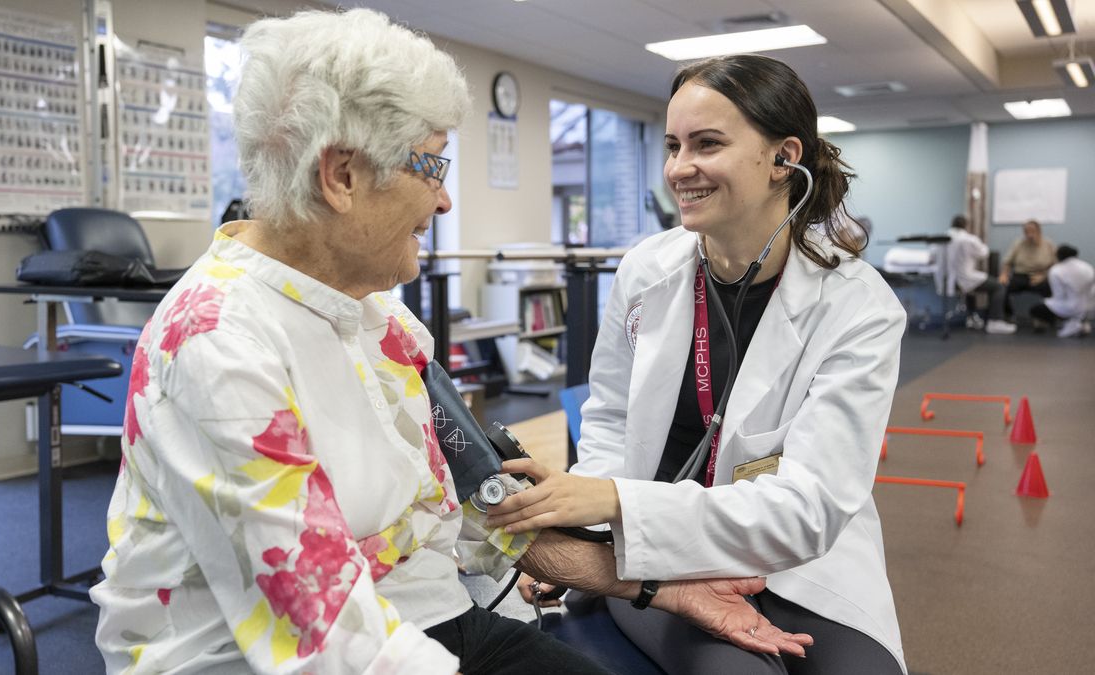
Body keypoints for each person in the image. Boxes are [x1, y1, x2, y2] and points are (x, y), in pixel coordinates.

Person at [91, 10, 810, 674]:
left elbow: (479, 510)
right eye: (432, 166)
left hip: (426, 614)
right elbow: (330, 636)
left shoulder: (384, 324)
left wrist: (657, 584)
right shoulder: (219, 343)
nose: (445, 200)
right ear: (341, 175)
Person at [487, 54, 908, 673]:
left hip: (796, 562)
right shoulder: (646, 271)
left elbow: (808, 509)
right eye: (673, 146)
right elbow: (607, 418)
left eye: (707, 144)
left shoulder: (859, 306)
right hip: (657, 552)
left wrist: (608, 501)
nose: (680, 169)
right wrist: (593, 538)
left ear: (784, 158)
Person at [946, 215, 1017, 334]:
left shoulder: (942, 239)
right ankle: (995, 321)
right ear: (965, 225)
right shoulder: (968, 239)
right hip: (966, 277)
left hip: (949, 280)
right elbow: (983, 253)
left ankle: (971, 318)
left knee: (970, 289)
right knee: (998, 286)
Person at [1029, 245, 1094, 338]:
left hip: (1071, 307)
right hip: (1090, 307)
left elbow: (1059, 296)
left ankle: (1072, 323)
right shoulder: (1087, 267)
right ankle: (1081, 322)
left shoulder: (1056, 270)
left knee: (1037, 308)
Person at [999, 219, 1057, 318]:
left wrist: (1043, 276)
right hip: (1020, 275)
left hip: (1041, 275)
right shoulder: (1018, 243)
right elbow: (1008, 261)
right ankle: (1008, 316)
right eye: (1026, 232)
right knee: (1002, 289)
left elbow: (1055, 265)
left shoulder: (1048, 244)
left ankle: (1046, 318)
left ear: (1039, 231)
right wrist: (1004, 274)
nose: (1029, 234)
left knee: (1051, 289)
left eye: (1032, 231)